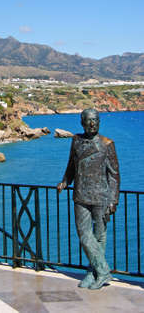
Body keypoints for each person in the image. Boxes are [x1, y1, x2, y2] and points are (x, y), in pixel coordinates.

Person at [57, 108, 120, 290]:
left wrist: (113, 200)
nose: (92, 124)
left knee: (99, 236)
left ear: (99, 122)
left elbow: (114, 176)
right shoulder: (76, 141)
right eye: (88, 120)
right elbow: (71, 165)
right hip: (81, 194)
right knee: (84, 235)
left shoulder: (107, 144)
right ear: (82, 122)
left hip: (101, 196)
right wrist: (65, 181)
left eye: (95, 120)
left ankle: (93, 273)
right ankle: (103, 270)